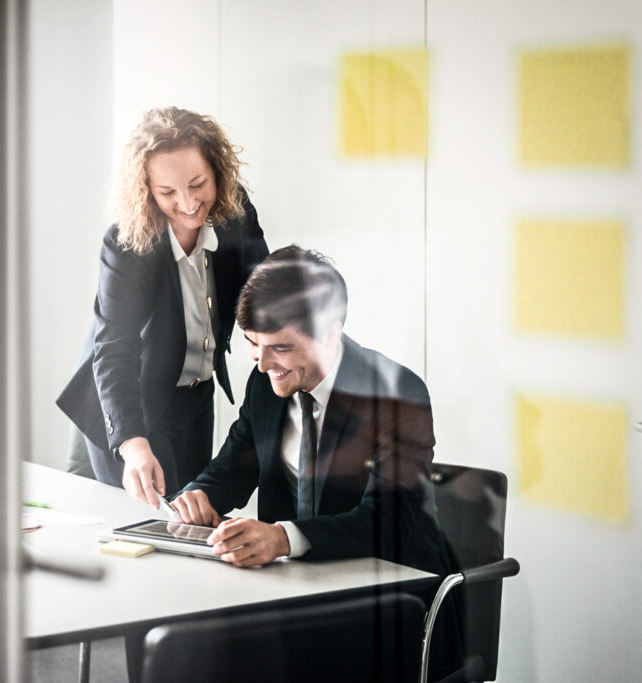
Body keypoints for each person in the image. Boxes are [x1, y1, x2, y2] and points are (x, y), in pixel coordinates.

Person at [169, 246, 462, 677]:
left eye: (281, 347)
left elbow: (388, 520)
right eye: (252, 344)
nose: (264, 363)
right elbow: (235, 463)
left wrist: (282, 539)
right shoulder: (265, 381)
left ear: (329, 334)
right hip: (298, 593)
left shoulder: (397, 393)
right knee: (186, 641)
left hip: (390, 602)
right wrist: (202, 495)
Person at [57, 106, 269, 509]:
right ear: (147, 191)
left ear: (218, 173)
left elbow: (265, 292)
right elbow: (114, 345)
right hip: (126, 396)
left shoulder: (234, 211)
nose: (189, 204)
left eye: (198, 184)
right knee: (151, 527)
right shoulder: (126, 242)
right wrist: (134, 446)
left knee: (194, 518)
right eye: (168, 193)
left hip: (194, 395)